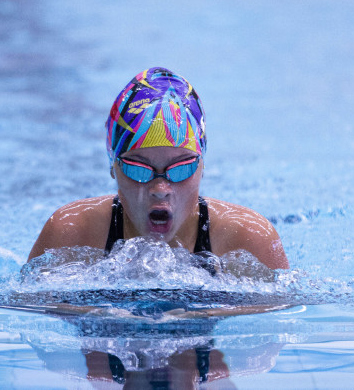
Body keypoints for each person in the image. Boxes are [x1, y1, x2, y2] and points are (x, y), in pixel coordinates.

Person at [28, 67, 288, 271]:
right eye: (139, 168)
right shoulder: (71, 234)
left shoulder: (248, 240)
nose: (161, 189)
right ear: (114, 168)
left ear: (202, 167)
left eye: (181, 168)